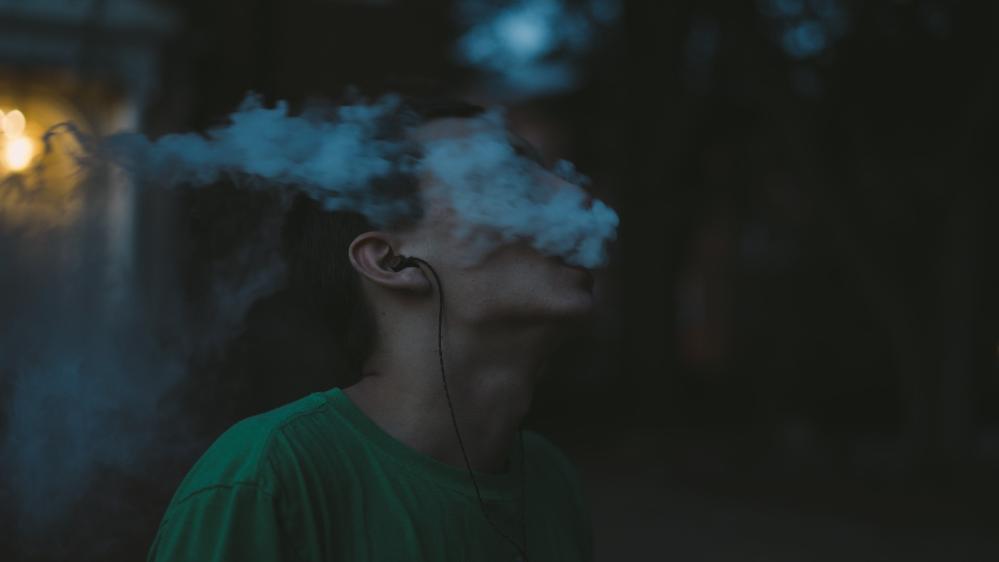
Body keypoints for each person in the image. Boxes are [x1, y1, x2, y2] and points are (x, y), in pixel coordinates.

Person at [147, 97, 597, 561]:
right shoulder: (270, 475)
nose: (579, 196)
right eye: (510, 177)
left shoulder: (550, 478)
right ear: (391, 262)